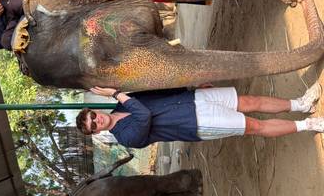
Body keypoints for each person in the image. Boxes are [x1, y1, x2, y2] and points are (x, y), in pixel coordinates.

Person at [76, 82, 323, 148]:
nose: (97, 121)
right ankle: (309, 124)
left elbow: (157, 93)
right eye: (93, 126)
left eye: (93, 116)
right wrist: (117, 93)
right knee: (254, 126)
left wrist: (190, 89)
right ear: (97, 132)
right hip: (197, 123)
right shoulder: (126, 137)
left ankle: (300, 104)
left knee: (249, 100)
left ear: (95, 111)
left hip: (192, 99)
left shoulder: (121, 104)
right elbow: (143, 115)